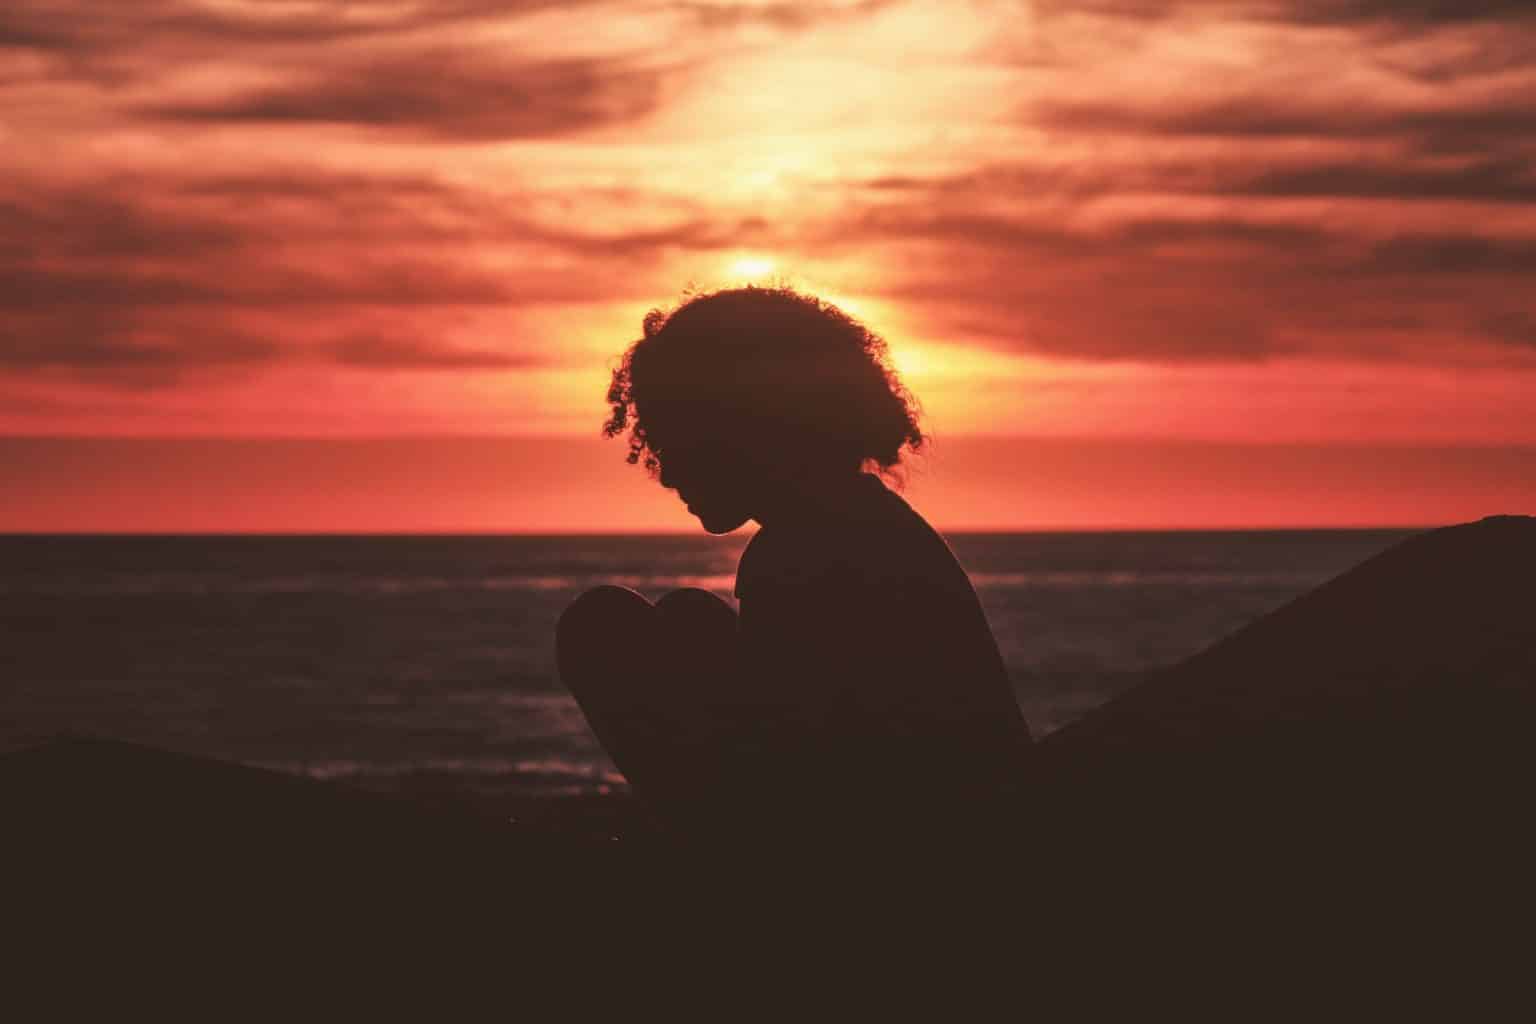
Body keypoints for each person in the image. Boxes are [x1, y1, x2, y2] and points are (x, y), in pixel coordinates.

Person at [556, 286, 1032, 842]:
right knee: (691, 619)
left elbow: (798, 752)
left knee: (601, 625)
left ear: (742, 428)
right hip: (958, 818)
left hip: (923, 839)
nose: (665, 470)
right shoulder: (861, 519)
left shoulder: (805, 550)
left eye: (676, 438)